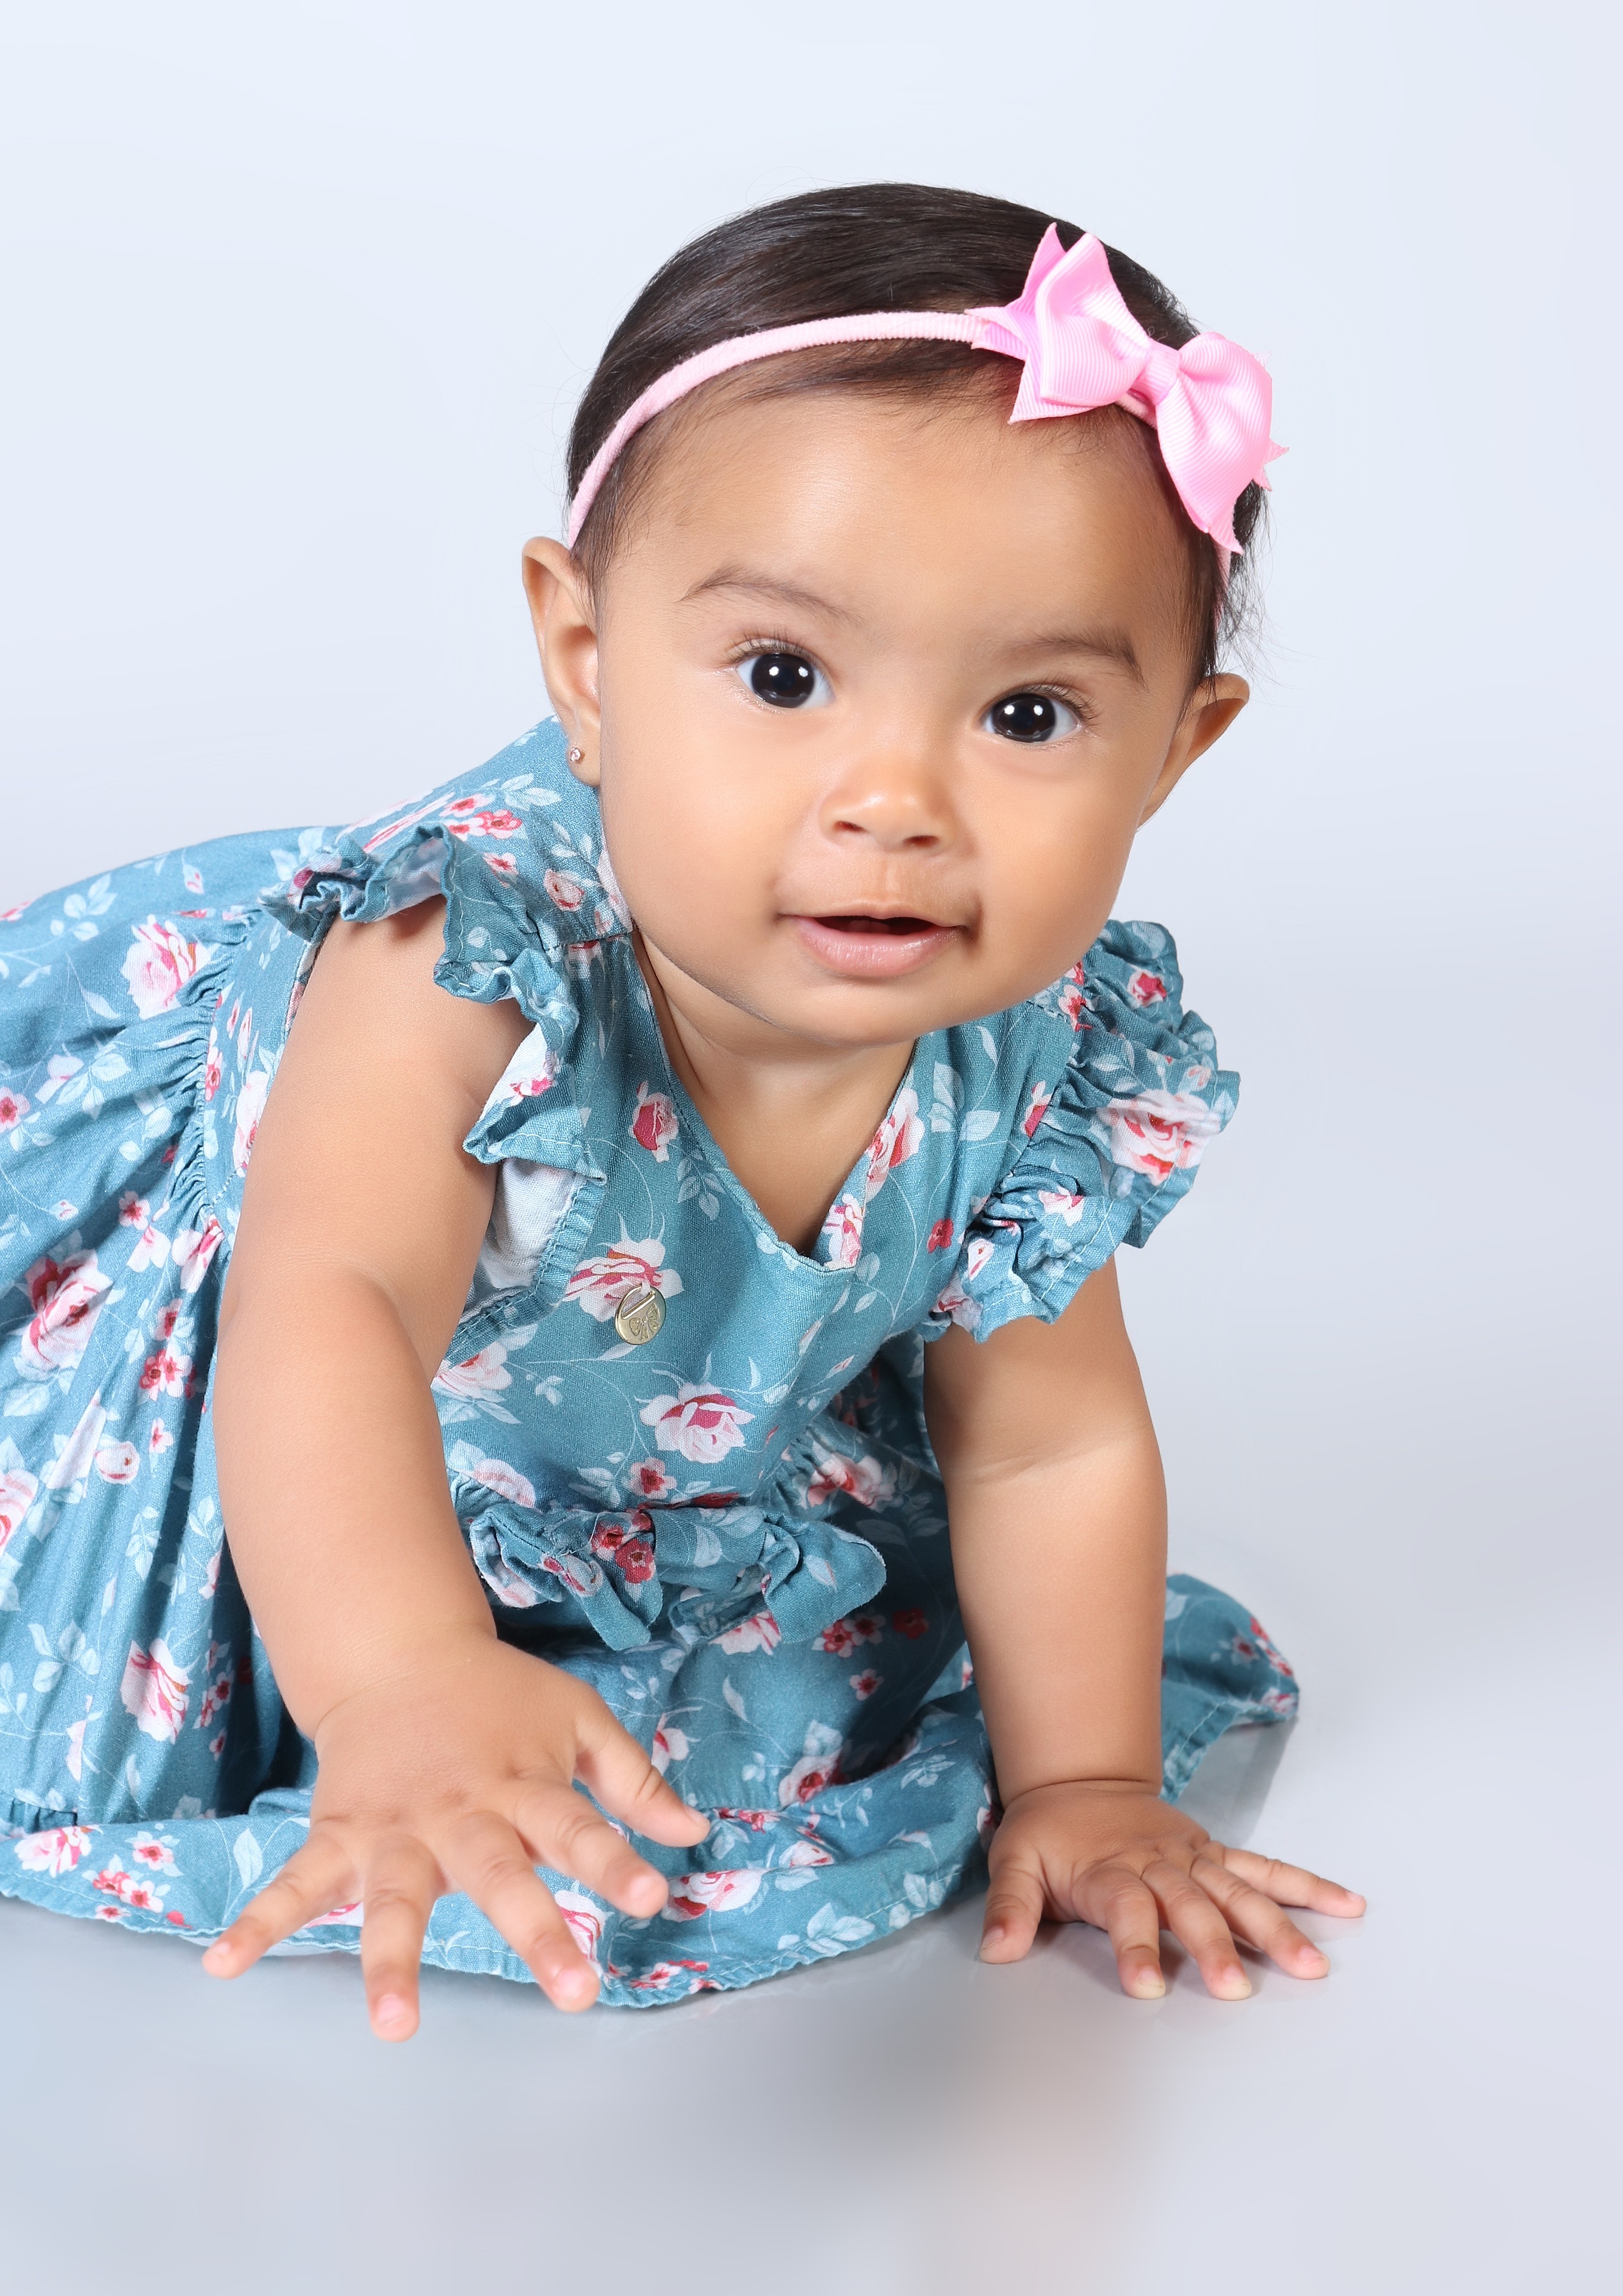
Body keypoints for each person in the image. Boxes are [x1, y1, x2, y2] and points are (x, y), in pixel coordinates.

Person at [0, 184, 1363, 2031]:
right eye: (783, 678)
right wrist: (396, 1673)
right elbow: (330, 1309)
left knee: (783, 1721)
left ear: (1171, 751)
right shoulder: (468, 957)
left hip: (610, 1456)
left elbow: (1043, 1444)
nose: (894, 802)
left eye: (1029, 716)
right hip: (278, 1442)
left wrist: (1087, 1784)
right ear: (584, 661)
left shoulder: (1027, 1045)